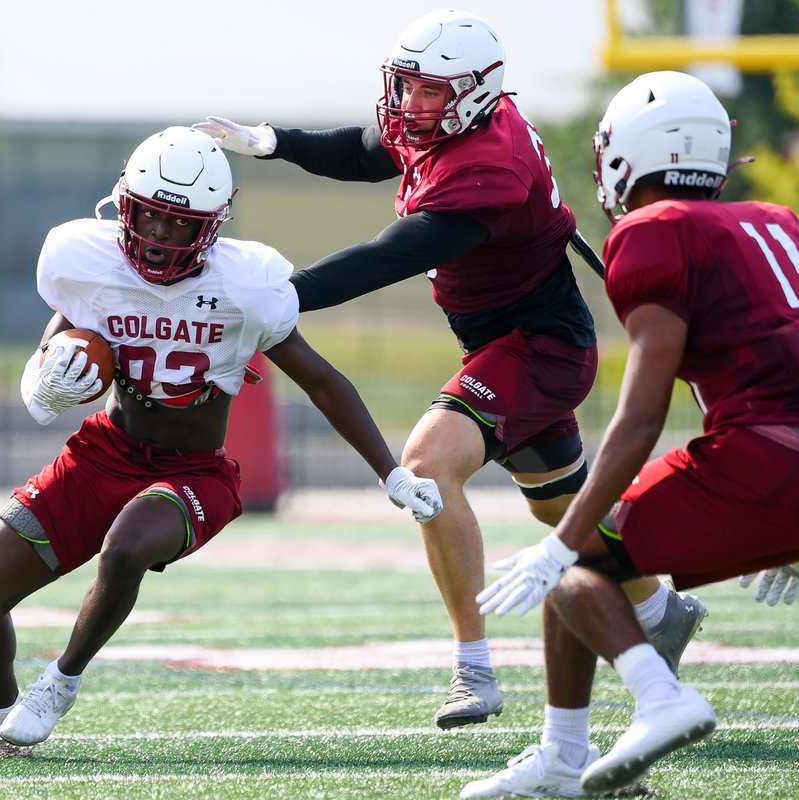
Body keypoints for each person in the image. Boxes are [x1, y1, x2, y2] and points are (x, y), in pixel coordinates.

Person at [195, 9, 707, 730]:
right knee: (559, 506)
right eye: (406, 86)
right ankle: (659, 609)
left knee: (429, 465)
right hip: (507, 338)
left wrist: (286, 294)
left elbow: (393, 252)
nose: (410, 104)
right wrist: (274, 142)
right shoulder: (456, 121)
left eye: (428, 91)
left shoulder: (489, 165)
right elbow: (371, 148)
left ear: (473, 93)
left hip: (540, 344)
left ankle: (475, 670)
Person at [0, 126, 443, 760]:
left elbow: (324, 381)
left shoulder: (245, 285)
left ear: (214, 225)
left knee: (127, 546)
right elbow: (64, 328)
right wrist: (42, 377)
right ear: (125, 205)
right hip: (104, 453)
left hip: (194, 471)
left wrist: (391, 473)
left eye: (181, 224)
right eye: (150, 216)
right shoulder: (85, 261)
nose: (161, 236)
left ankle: (59, 683)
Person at [458, 70, 799, 798]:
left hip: (765, 459)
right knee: (589, 555)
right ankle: (564, 759)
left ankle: (658, 699)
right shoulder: (773, 221)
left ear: (629, 155)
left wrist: (561, 539)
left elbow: (641, 416)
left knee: (573, 553)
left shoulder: (653, 232)